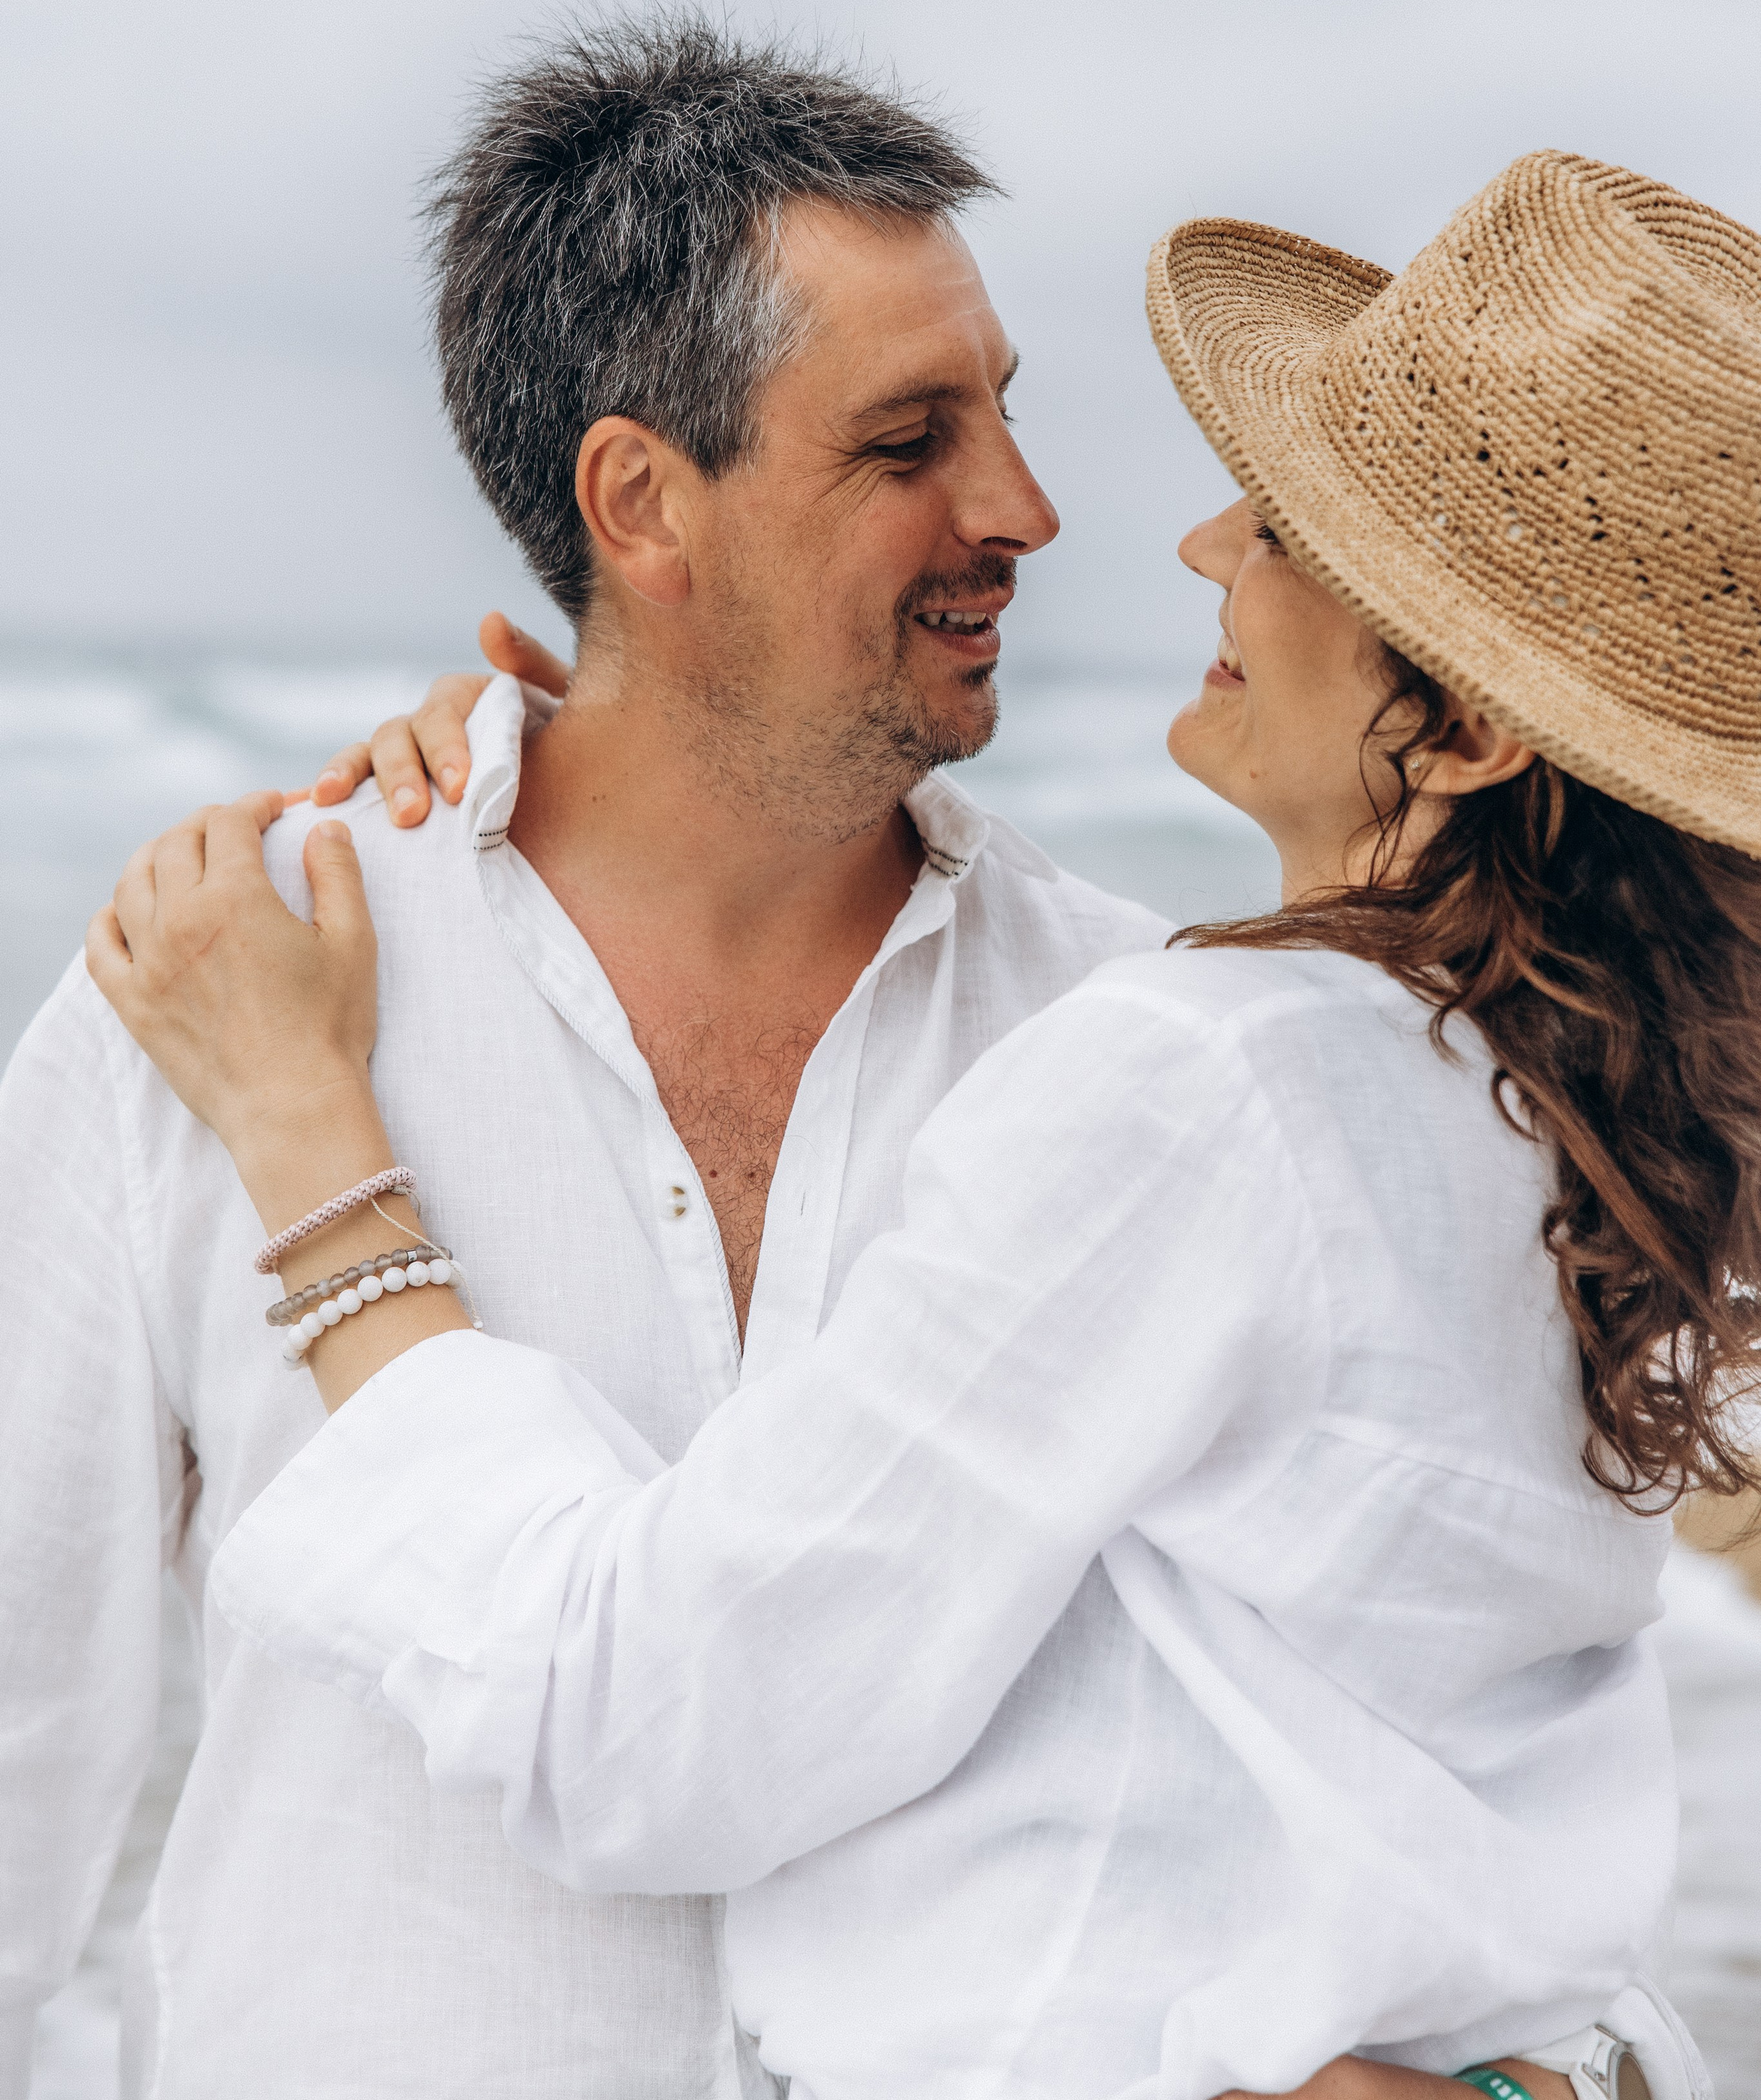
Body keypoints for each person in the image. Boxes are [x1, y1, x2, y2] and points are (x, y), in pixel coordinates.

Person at [87, 152, 1752, 2099]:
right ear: (644, 509)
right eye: (912, 436)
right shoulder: (1575, 1126)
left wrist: (313, 1150)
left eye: (1296, 522)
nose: (1199, 543)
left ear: (1467, 734)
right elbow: (1485, 1809)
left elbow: (644, 1726)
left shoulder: (1205, 1077)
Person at [0, 13, 1180, 2098]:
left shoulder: (1138, 1046)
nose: (1026, 507)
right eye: (910, 442)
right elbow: (19, 1755)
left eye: (1003, 413)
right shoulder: (206, 990)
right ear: (643, 498)